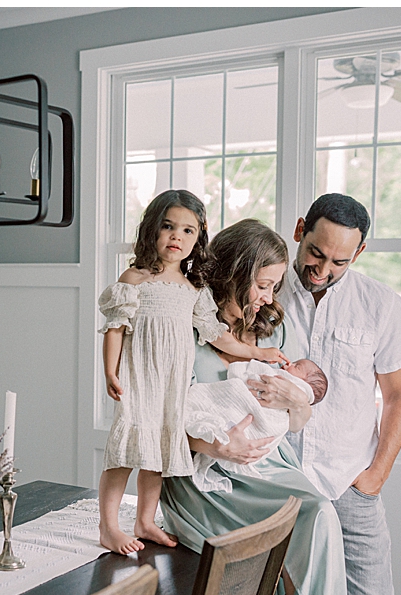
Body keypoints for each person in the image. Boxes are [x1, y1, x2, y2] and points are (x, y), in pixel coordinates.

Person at [160, 219, 350, 595]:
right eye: (263, 284)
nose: (270, 297)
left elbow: (298, 417)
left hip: (270, 467)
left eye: (275, 285)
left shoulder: (274, 328)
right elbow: (160, 418)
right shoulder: (183, 327)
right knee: (306, 525)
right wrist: (216, 446)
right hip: (205, 477)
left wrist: (293, 399)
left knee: (320, 516)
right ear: (233, 273)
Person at [97, 190, 287, 556]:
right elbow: (115, 327)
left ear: (198, 238)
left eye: (188, 231)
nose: (176, 237)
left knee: (157, 456)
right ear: (152, 229)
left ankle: (145, 520)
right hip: (140, 380)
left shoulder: (193, 290)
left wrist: (258, 352)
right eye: (168, 227)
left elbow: (219, 337)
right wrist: (110, 371)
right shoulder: (135, 279)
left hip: (173, 385)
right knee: (124, 454)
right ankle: (108, 526)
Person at [277, 193, 401, 595]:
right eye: (316, 252)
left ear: (358, 254)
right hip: (274, 480)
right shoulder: (261, 290)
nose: (323, 268)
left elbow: (399, 394)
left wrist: (376, 475)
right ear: (300, 230)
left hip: (349, 482)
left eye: (339, 260)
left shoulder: (380, 304)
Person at [184, 358, 328, 494]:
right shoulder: (274, 365)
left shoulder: (280, 353)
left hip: (264, 450)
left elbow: (295, 426)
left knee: (313, 504)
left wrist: (300, 401)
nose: (287, 364)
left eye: (296, 366)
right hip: (217, 444)